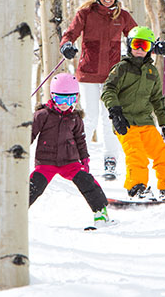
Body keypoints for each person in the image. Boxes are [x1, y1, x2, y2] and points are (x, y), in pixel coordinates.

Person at [58, 0, 138, 181]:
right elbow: (70, 34)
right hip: (88, 74)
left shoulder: (122, 17)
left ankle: (110, 159)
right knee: (90, 116)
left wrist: (153, 45)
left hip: (112, 77)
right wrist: (66, 45)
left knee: (109, 118)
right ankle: (76, 157)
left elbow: (137, 36)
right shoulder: (85, 13)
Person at [101, 26, 165, 202]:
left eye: (145, 46)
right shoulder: (121, 68)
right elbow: (107, 90)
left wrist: (164, 125)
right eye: (137, 44)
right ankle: (137, 187)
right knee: (137, 155)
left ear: (150, 49)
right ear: (129, 45)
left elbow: (157, 100)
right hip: (125, 122)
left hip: (146, 122)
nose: (140, 49)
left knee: (162, 153)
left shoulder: (152, 72)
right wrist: (115, 112)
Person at [29, 73, 112, 227]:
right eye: (60, 99)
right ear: (52, 96)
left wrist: (85, 160)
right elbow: (29, 134)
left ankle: (101, 212)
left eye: (70, 99)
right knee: (34, 186)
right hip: (46, 162)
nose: (65, 104)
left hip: (69, 162)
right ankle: (15, 214)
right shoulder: (42, 115)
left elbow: (80, 140)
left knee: (87, 182)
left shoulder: (75, 118)